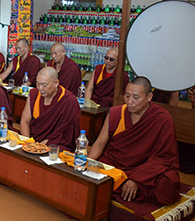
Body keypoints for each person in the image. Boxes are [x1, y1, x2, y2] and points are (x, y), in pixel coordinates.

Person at [89, 77, 180, 205]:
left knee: (166, 184)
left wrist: (137, 179)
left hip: (145, 169)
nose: (130, 101)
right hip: (116, 166)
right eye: (127, 96)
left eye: (136, 98)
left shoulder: (162, 119)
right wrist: (86, 165)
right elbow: (99, 143)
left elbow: (164, 158)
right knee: (96, 175)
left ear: (149, 97)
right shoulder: (116, 113)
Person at [20, 67, 81, 151]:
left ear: (56, 83)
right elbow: (24, 121)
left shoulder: (69, 100)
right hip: (33, 142)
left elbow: (64, 133)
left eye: (44, 85)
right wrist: (28, 144)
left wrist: (39, 147)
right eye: (38, 84)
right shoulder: (34, 94)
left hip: (56, 145)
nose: (40, 88)